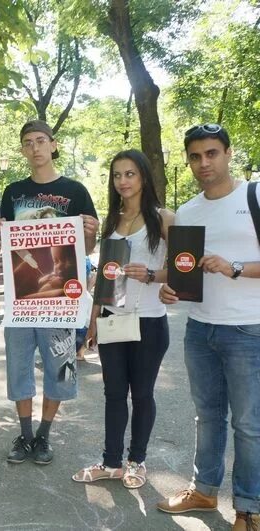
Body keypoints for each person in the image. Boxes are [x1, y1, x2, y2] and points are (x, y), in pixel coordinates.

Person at [156, 124, 260, 530]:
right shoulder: (189, 212)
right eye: (196, 156)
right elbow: (182, 275)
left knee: (249, 424)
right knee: (208, 417)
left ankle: (249, 509)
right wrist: (171, 291)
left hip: (248, 330)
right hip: (200, 330)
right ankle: (204, 491)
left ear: (228, 153)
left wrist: (234, 267)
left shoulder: (253, 196)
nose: (204, 163)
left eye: (212, 153)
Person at [0, 120, 99, 465]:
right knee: (19, 366)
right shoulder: (12, 193)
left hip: (61, 298)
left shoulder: (76, 191)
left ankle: (44, 436)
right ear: (22, 150)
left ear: (53, 144)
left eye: (40, 141)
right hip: (23, 297)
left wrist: (92, 232)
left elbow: (89, 246)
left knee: (60, 368)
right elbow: (4, 244)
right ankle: (23, 434)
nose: (34, 147)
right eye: (27, 143)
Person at [71, 149, 174, 490]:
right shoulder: (112, 221)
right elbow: (105, 274)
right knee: (114, 394)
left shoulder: (164, 218)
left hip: (148, 322)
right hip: (113, 319)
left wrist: (152, 274)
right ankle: (112, 462)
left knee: (142, 394)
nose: (123, 181)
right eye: (117, 175)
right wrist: (93, 320)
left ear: (144, 176)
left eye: (130, 174)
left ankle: (137, 461)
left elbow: (184, 267)